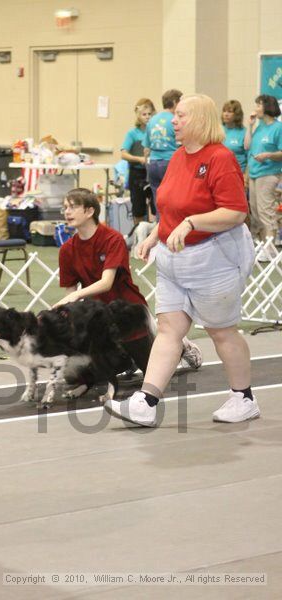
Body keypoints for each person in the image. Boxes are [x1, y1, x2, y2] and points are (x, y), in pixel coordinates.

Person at [105, 94, 258, 427]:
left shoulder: (220, 158)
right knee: (169, 328)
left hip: (212, 259)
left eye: (181, 116)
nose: (173, 121)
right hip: (174, 260)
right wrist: (153, 236)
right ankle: (146, 402)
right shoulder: (177, 158)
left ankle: (243, 397)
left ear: (201, 119)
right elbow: (173, 209)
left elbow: (234, 212)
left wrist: (192, 223)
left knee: (222, 332)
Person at [56, 188, 202, 374]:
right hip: (97, 315)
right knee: (83, 373)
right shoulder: (67, 250)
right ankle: (124, 358)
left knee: (154, 372)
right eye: (65, 208)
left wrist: (77, 294)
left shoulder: (112, 239)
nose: (67, 212)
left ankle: (181, 345)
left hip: (129, 311)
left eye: (73, 207)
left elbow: (106, 282)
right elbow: (70, 294)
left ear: (90, 211)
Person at [244, 94, 282, 251]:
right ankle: (263, 245)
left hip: (268, 174)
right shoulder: (259, 127)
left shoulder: (278, 127)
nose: (255, 109)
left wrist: (268, 155)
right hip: (254, 173)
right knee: (256, 213)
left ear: (267, 107)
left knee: (266, 212)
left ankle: (271, 249)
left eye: (258, 105)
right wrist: (250, 126)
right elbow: (247, 146)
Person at [143, 89, 183, 216]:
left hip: (153, 163)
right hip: (170, 162)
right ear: (175, 102)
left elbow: (146, 149)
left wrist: (147, 167)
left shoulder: (152, 120)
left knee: (158, 200)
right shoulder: (175, 120)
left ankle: (160, 228)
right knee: (174, 199)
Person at [121, 98, 156, 224]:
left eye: (150, 114)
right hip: (137, 174)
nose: (147, 117)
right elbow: (123, 154)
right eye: (144, 114)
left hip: (153, 172)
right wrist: (139, 159)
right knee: (138, 209)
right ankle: (138, 233)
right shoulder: (132, 134)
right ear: (138, 116)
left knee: (155, 207)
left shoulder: (156, 132)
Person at [221, 99, 248, 181]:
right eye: (224, 111)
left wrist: (246, 175)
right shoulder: (218, 130)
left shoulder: (244, 132)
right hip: (220, 172)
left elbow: (249, 157)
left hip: (237, 173)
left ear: (237, 115)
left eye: (229, 112)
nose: (226, 114)